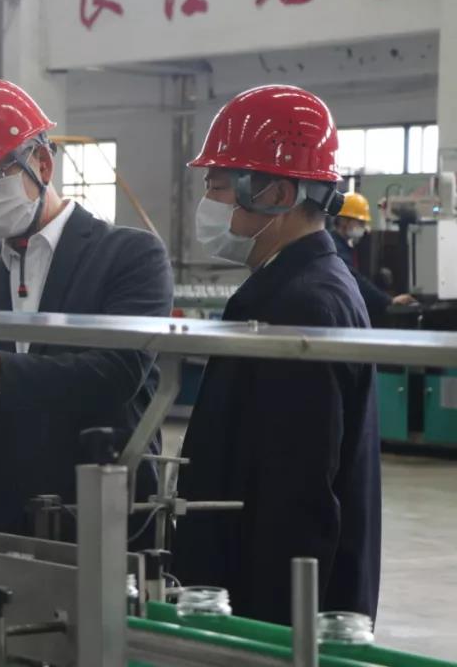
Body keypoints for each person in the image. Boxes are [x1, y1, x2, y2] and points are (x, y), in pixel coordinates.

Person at [0, 78, 174, 543]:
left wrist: (1, 372)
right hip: (8, 522)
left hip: (108, 514)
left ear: (42, 163)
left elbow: (119, 372)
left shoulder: (131, 256)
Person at [173, 85, 381, 625]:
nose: (208, 204)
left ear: (278, 194)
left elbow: (299, 495)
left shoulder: (305, 304)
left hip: (277, 608)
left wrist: (274, 628)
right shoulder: (289, 285)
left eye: (218, 186)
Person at [328, 191, 416, 325]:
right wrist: (388, 300)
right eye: (360, 223)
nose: (364, 228)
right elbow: (355, 280)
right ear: (343, 221)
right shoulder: (335, 247)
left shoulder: (343, 246)